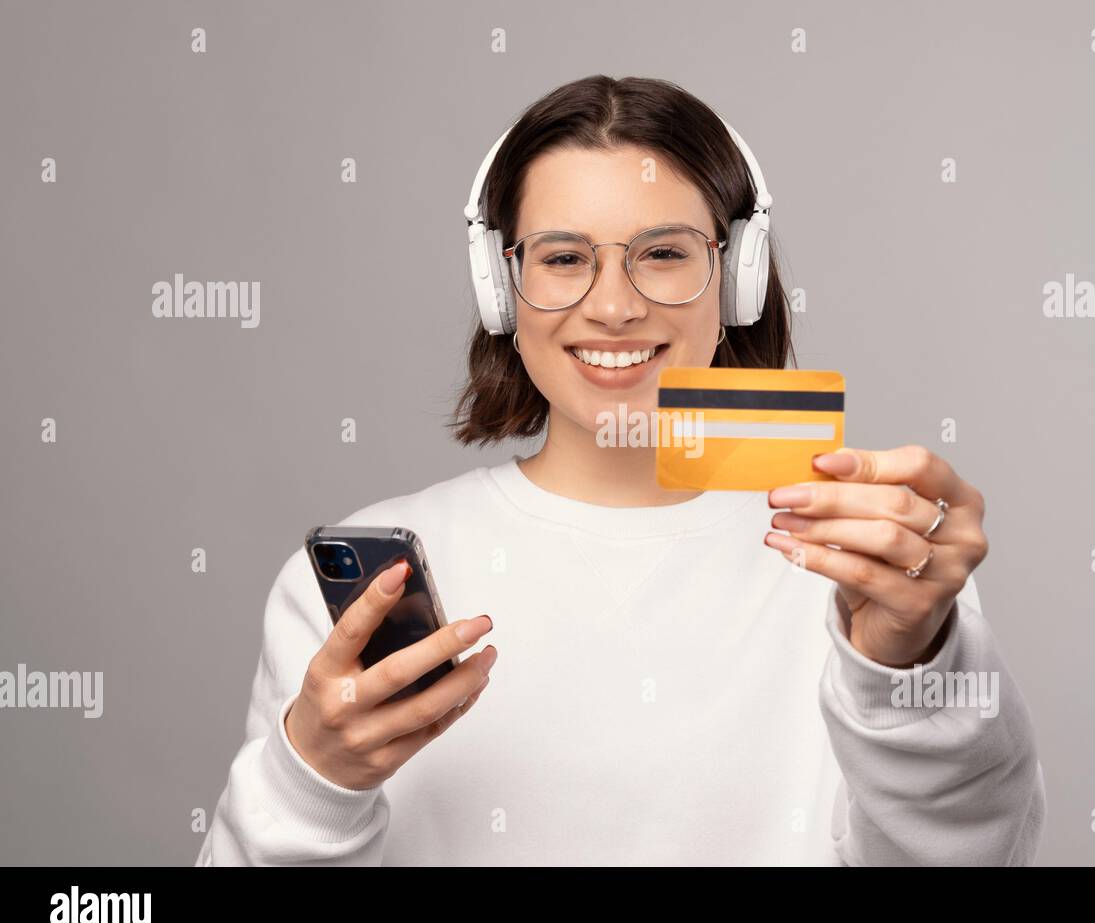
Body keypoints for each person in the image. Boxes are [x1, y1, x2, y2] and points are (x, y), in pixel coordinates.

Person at [196, 74, 1046, 866]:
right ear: (503, 291)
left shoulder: (872, 561)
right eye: (564, 258)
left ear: (738, 281)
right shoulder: (358, 587)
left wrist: (910, 665)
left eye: (664, 254)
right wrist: (311, 780)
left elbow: (967, 856)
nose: (613, 305)